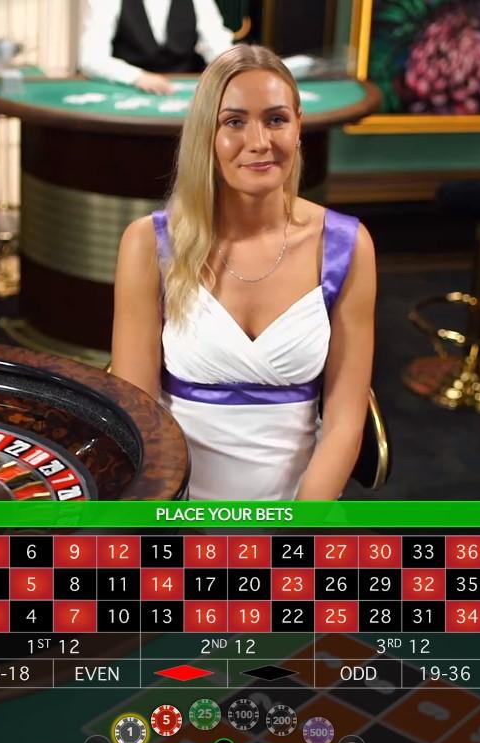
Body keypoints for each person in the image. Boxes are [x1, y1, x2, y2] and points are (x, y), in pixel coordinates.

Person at [111, 45, 376, 501]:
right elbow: (139, 420)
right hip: (177, 506)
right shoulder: (147, 245)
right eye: (234, 122)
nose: (259, 142)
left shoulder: (346, 245)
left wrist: (295, 530)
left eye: (276, 119)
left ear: (298, 126)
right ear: (206, 134)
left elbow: (345, 423)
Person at [79, 0, 235, 95]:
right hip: (127, 91)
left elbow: (220, 51)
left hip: (182, 96)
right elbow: (91, 59)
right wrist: (137, 77)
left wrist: (236, 72)